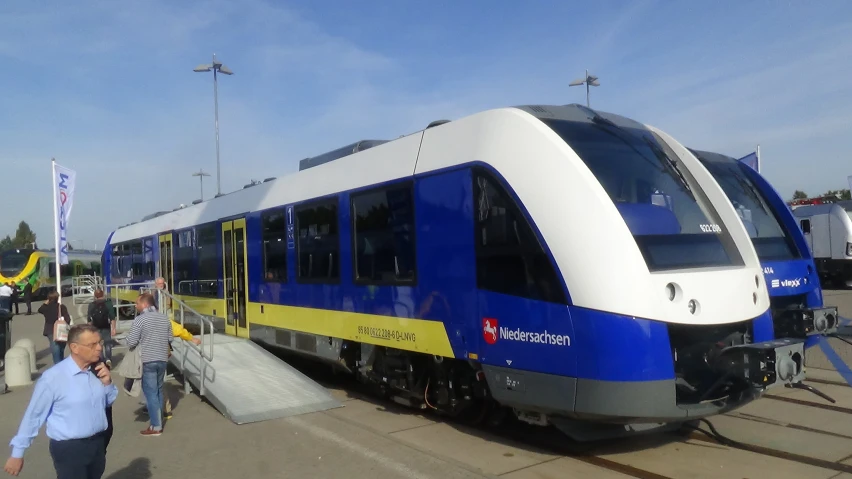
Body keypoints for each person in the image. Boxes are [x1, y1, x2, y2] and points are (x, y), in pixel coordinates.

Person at [4, 324, 117, 478]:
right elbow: (34, 416)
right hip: (70, 449)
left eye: (100, 343)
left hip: (97, 444)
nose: (98, 348)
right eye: (92, 344)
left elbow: (107, 402)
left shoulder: (97, 371)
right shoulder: (53, 378)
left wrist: (107, 383)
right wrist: (18, 452)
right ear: (74, 348)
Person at [125, 292, 171, 436]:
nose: (135, 305)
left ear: (145, 304)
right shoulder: (164, 318)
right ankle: (158, 420)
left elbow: (131, 341)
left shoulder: (140, 320)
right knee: (158, 390)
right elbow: (170, 339)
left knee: (150, 394)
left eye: (137, 303)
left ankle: (156, 426)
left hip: (147, 360)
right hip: (162, 359)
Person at [39, 291, 71, 365]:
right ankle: (61, 362)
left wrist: (46, 302)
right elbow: (67, 319)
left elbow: (40, 310)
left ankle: (57, 364)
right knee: (61, 348)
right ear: (57, 298)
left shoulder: (46, 308)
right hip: (61, 329)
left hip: (50, 330)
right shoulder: (61, 307)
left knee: (55, 348)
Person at [86, 290, 116, 366]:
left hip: (96, 327)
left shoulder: (91, 305)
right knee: (107, 343)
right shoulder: (108, 303)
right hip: (106, 326)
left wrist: (90, 330)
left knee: (99, 344)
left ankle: (102, 360)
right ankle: (108, 359)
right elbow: (112, 317)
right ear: (103, 294)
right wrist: (114, 328)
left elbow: (89, 319)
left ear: (95, 296)